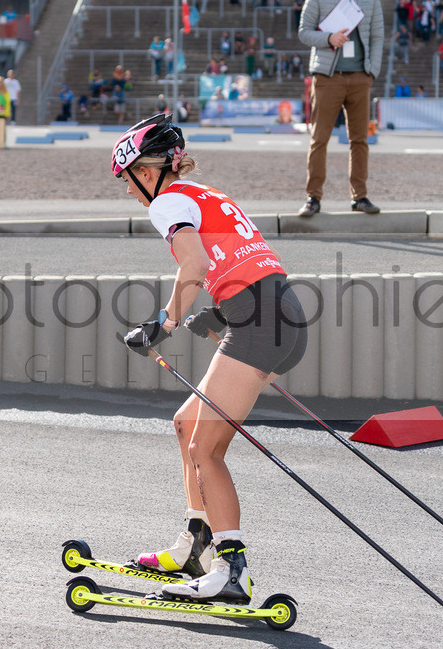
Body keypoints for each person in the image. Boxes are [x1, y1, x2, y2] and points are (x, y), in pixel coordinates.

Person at [114, 113, 306, 602]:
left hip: (259, 324)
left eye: (129, 178)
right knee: (186, 425)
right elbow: (247, 264)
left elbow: (195, 265)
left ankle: (231, 570)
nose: (129, 190)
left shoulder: (167, 202)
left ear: (148, 170)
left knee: (206, 449)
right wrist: (220, 313)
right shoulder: (205, 193)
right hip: (276, 312)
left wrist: (164, 323)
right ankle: (196, 544)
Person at [297, 0, 384, 217]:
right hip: (327, 77)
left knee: (360, 140)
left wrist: (371, 72)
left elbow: (377, 36)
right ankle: (313, 197)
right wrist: (329, 38)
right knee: (319, 139)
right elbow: (304, 32)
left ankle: (360, 197)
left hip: (360, 78)